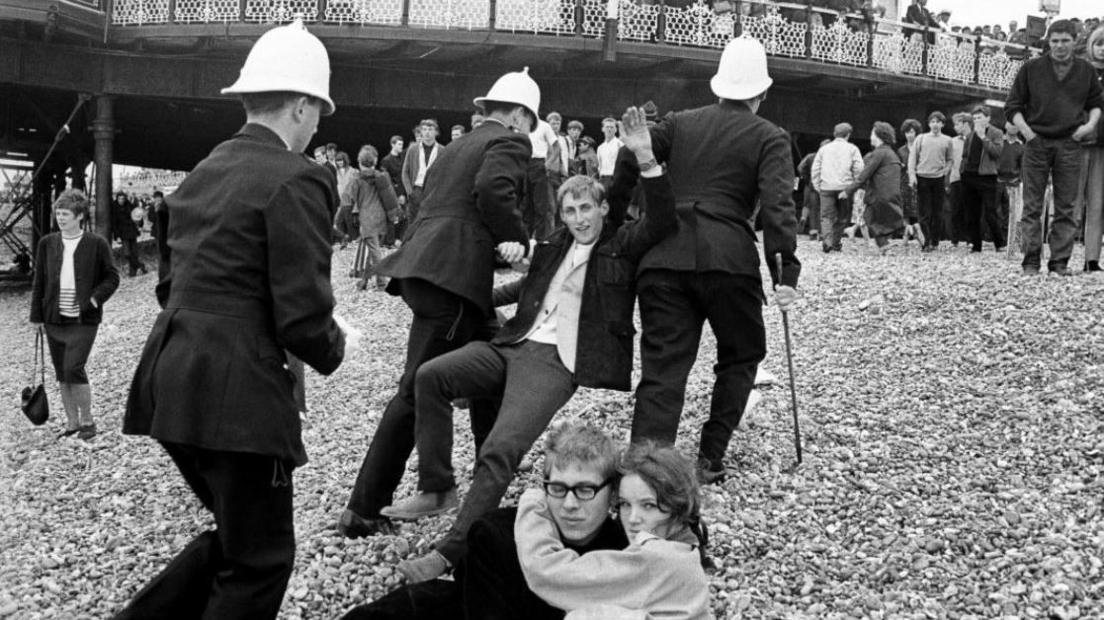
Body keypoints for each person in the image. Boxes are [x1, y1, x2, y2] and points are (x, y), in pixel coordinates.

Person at [115, 21, 348, 619]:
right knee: (259, 560)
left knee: (238, 535)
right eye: (318, 111)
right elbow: (302, 314)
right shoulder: (300, 178)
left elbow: (169, 284)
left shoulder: (203, 170)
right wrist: (337, 344)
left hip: (170, 382)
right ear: (301, 105)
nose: (318, 124)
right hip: (238, 401)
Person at [384, 106, 676, 582]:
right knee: (430, 377)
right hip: (512, 344)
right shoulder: (555, 246)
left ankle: (451, 553)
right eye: (570, 210)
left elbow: (662, 220)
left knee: (501, 449)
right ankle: (439, 486)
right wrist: (468, 296)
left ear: (603, 209)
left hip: (557, 361)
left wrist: (645, 157)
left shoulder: (620, 246)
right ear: (561, 214)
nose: (579, 218)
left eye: (587, 208)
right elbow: (523, 290)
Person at [338, 68, 536, 541]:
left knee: (500, 358)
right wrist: (517, 241)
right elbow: (492, 192)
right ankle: (367, 507)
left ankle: (491, 476)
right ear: (518, 115)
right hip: (454, 285)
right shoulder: (510, 142)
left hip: (432, 270)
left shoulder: (453, 149)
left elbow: (443, 205)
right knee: (415, 392)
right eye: (529, 121)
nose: (530, 132)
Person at [610, 37, 799, 484]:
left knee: (664, 367)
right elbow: (777, 205)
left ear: (718, 85)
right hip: (728, 259)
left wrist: (614, 220)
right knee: (742, 353)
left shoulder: (677, 123)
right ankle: (709, 457)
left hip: (663, 256)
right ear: (762, 92)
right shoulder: (771, 136)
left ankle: (648, 470)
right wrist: (783, 270)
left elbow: (628, 154)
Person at [339, 424, 629, 620]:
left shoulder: (627, 557)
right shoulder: (498, 535)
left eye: (585, 489)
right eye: (558, 488)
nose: (569, 504)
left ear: (612, 492)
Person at [515, 441, 711, 619]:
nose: (633, 519)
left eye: (648, 505)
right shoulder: (686, 550)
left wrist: (534, 503)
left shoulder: (660, 558)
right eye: (625, 504)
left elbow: (550, 574)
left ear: (678, 507)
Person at [1006, 19, 1103, 275]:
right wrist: (1028, 133)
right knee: (1033, 205)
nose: (1059, 46)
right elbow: (1013, 106)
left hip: (1070, 143)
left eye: (1065, 40)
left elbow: (1096, 103)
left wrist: (1088, 126)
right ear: (1048, 42)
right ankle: (1030, 260)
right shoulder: (1031, 69)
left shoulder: (1085, 71)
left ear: (1074, 41)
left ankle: (1059, 262)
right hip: (1037, 141)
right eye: (1055, 41)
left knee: (1067, 206)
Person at [29, 189, 119, 441]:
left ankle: (88, 421)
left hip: (83, 320)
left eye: (65, 214)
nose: (60, 218)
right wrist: (36, 316)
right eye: (58, 213)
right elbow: (40, 281)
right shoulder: (47, 243)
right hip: (54, 319)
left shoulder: (96, 243)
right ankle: (71, 423)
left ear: (79, 215)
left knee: (73, 368)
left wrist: (93, 298)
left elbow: (112, 277)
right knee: (61, 372)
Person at [840, 122, 904, 252]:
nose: (870, 137)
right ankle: (884, 244)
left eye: (872, 134)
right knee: (881, 219)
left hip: (879, 194)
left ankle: (889, 240)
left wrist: (848, 191)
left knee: (869, 216)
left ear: (879, 136)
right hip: (892, 194)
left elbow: (864, 174)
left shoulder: (878, 153)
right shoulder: (891, 153)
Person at [345, 145, 401, 291]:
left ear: (359, 161)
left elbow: (348, 199)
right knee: (370, 250)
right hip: (381, 217)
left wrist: (339, 219)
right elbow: (390, 198)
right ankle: (363, 281)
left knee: (374, 251)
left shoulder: (356, 178)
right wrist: (393, 216)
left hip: (367, 218)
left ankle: (382, 282)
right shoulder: (382, 176)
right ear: (375, 161)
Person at [960, 105, 1006, 253]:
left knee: (991, 212)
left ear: (988, 118)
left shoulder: (996, 133)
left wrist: (983, 137)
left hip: (991, 177)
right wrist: (962, 170)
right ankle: (976, 245)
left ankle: (1002, 243)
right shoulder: (970, 135)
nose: (977, 121)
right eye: (974, 118)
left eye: (979, 117)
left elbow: (997, 152)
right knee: (972, 212)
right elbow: (965, 155)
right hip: (970, 175)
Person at [812, 122, 864, 252]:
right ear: (848, 135)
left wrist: (818, 186)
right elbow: (859, 168)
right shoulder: (852, 149)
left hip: (826, 187)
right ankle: (835, 242)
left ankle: (827, 241)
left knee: (826, 216)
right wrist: (854, 185)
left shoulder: (824, 149)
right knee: (842, 217)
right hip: (845, 188)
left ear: (835, 134)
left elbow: (815, 169)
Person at [908, 111, 954, 252]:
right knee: (924, 212)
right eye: (932, 121)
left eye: (938, 121)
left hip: (938, 179)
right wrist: (912, 176)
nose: (935, 124)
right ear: (928, 124)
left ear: (942, 124)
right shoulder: (920, 138)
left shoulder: (947, 140)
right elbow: (912, 159)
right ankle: (926, 241)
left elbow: (950, 159)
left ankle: (935, 240)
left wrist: (946, 170)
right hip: (922, 177)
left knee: (937, 212)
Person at [1078, 25, 1104, 272]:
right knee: (1069, 203)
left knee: (1098, 205)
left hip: (1102, 147)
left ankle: (1092, 259)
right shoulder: (1080, 72)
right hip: (1079, 143)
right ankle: (1059, 255)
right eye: (1099, 43)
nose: (1103, 49)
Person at [401, 119, 445, 226]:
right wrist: (410, 192)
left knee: (430, 224)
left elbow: (445, 174)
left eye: (430, 129)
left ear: (436, 132)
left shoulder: (442, 150)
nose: (427, 132)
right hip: (416, 190)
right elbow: (405, 172)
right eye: (424, 129)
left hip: (433, 191)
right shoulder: (413, 149)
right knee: (413, 224)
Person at [897, 119, 924, 246]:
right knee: (904, 209)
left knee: (917, 208)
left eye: (912, 132)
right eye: (907, 132)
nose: (909, 135)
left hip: (918, 180)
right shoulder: (901, 150)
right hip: (903, 181)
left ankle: (916, 231)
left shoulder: (921, 148)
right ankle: (907, 233)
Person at [111, 191, 146, 277]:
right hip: (123, 233)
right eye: (119, 199)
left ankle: (132, 273)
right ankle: (140, 265)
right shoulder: (114, 208)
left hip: (132, 231)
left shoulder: (130, 206)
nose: (121, 200)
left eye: (123, 198)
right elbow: (114, 223)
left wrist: (140, 224)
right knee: (127, 254)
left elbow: (137, 215)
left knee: (134, 252)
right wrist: (117, 236)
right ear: (117, 198)